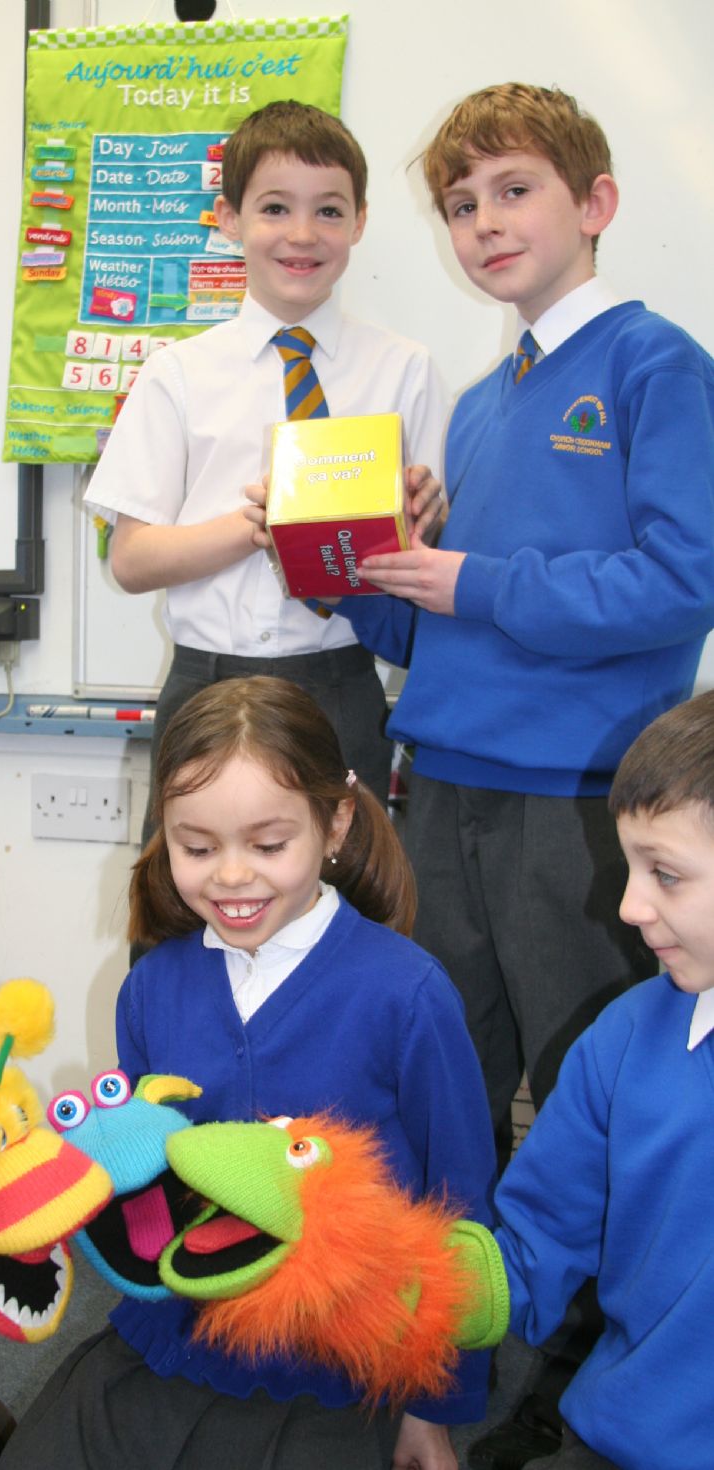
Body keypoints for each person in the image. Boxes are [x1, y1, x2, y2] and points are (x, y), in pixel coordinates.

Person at [247, 83, 714, 1467]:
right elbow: (442, 618)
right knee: (446, 1096)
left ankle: (559, 1412)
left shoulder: (656, 366)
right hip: (436, 781)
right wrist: (350, 566)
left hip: (578, 806)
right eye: (461, 204)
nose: (486, 223)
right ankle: (439, 1391)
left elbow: (682, 579)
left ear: (596, 204)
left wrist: (473, 575)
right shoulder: (477, 402)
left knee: (585, 1121)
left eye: (515, 190)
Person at [0, 676, 496, 1470]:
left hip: (331, 1366)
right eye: (197, 847)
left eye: (268, 845)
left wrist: (434, 1406)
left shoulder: (407, 992)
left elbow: (460, 1209)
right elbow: (144, 1187)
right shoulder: (152, 986)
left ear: (336, 822)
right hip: (170, 1343)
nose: (231, 877)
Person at [85, 99, 449, 813]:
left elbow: (422, 560)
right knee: (187, 910)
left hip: (342, 685)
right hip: (207, 687)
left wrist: (421, 521)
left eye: (330, 212)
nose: (303, 235)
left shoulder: (405, 370)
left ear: (361, 222)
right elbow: (131, 562)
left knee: (346, 909)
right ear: (228, 220)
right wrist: (259, 526)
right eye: (276, 208)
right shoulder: (177, 373)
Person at [491, 687, 714, 1470]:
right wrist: (388, 1275)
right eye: (629, 868)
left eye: (667, 875)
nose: (626, 906)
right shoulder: (625, 1036)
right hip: (617, 1442)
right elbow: (532, 1247)